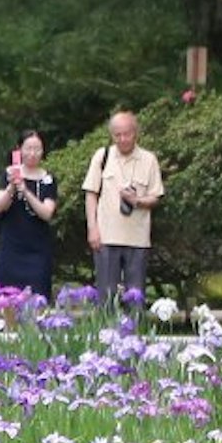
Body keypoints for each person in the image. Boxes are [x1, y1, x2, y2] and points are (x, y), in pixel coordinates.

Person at [82, 104, 165, 313]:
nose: (122, 139)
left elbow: (156, 197)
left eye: (126, 134)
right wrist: (93, 228)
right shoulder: (102, 156)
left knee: (135, 299)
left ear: (135, 132)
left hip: (137, 239)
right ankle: (105, 340)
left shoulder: (149, 159)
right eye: (117, 135)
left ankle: (135, 339)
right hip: (106, 238)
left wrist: (136, 200)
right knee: (106, 299)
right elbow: (91, 193)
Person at [0, 130, 59, 294]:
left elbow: (47, 213)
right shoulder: (8, 174)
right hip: (10, 249)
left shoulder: (48, 179)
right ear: (19, 149)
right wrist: (12, 186)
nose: (33, 154)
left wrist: (26, 191)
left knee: (37, 300)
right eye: (28, 149)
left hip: (37, 251)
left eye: (38, 149)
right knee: (5, 300)